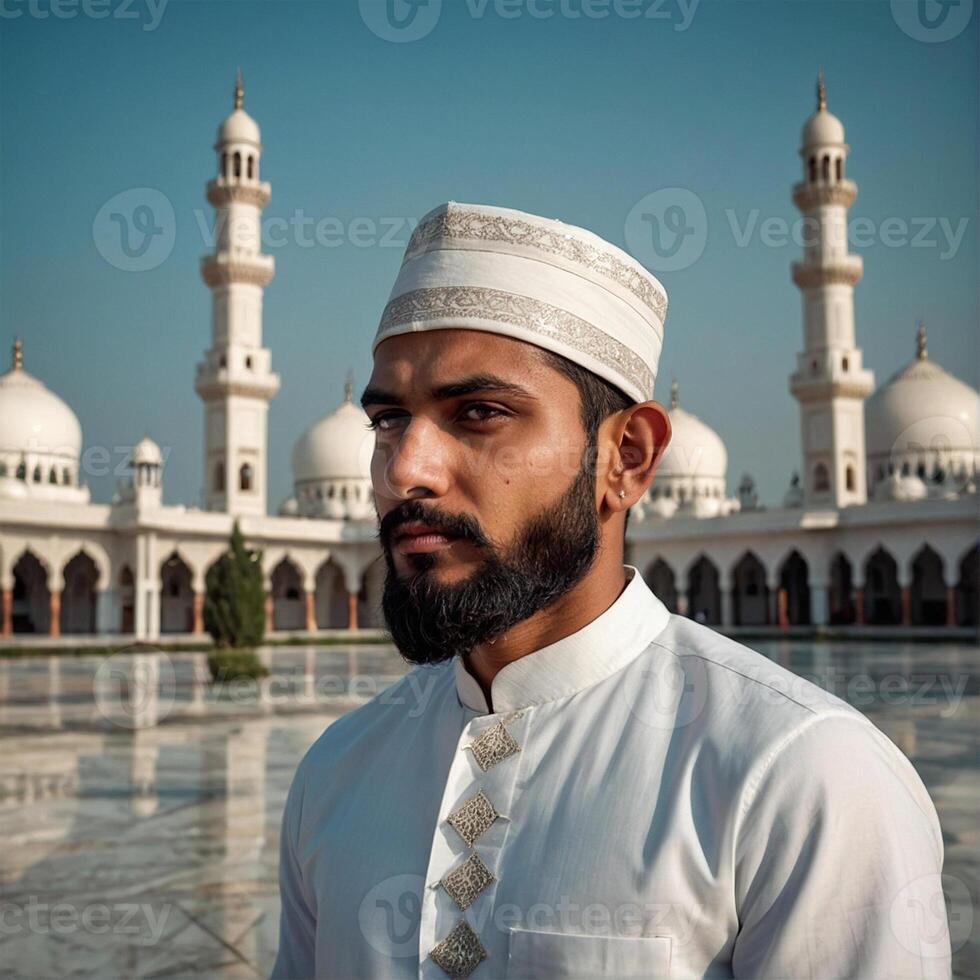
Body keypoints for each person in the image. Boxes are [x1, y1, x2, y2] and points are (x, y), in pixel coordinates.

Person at [271, 202, 950, 979]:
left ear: (626, 456)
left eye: (480, 413)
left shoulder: (797, 779)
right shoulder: (338, 772)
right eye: (390, 420)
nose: (405, 469)